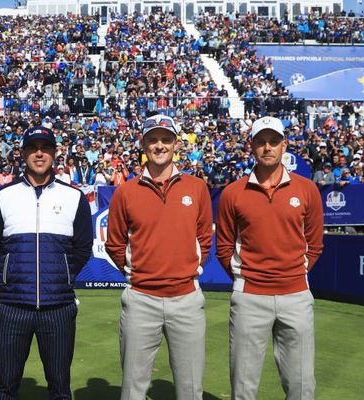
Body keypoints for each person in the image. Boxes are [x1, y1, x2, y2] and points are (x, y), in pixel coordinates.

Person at [214, 117, 324, 400]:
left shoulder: (307, 189)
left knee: (301, 386)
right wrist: (244, 278)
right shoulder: (232, 193)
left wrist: (293, 274)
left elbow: (315, 244)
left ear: (283, 146)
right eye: (261, 142)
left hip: (296, 296)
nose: (267, 148)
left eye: (273, 142)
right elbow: (224, 247)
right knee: (243, 388)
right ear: (251, 147)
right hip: (249, 297)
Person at [105, 114, 213, 400]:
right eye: (153, 140)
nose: (160, 145)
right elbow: (115, 244)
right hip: (141, 299)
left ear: (176, 144)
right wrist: (138, 272)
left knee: (190, 389)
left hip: (187, 299)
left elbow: (205, 237)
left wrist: (189, 268)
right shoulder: (125, 192)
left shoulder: (197, 187)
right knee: (133, 389)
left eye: (166, 139)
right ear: (143, 144)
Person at [0, 126, 93, 400]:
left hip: (58, 308)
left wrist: (63, 275)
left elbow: (82, 247)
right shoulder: (3, 196)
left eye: (45, 148)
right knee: (6, 386)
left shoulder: (73, 196)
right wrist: (9, 274)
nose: (39, 153)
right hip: (12, 307)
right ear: (23, 154)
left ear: (55, 153)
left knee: (60, 388)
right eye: (33, 148)